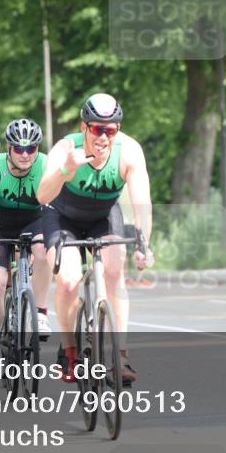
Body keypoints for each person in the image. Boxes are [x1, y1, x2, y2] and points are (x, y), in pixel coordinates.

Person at [37, 93, 154, 385]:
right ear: (84, 127)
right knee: (68, 282)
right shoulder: (66, 148)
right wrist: (66, 170)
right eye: (96, 129)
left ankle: (121, 357)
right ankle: (70, 351)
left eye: (110, 130)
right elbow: (42, 195)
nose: (103, 137)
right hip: (62, 216)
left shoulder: (129, 151)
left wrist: (144, 244)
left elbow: (142, 204)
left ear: (118, 129)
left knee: (114, 273)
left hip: (104, 215)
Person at [0, 119, 52, 365]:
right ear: (9, 148)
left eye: (31, 148)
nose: (25, 154)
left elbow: (54, 209)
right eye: (19, 148)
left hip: (33, 223)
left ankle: (40, 312)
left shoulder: (46, 165)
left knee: (43, 252)